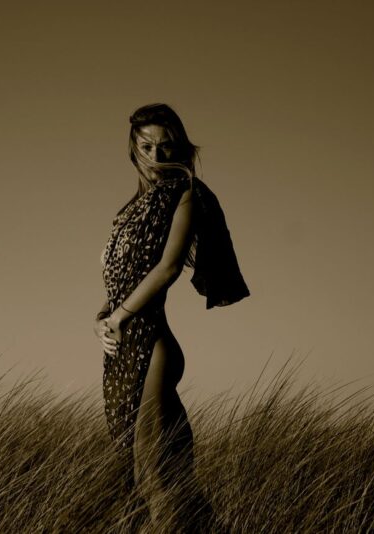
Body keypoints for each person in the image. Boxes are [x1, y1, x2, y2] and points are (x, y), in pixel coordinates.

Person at [95, 103, 249, 529]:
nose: (156, 156)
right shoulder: (128, 211)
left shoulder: (185, 193)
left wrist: (119, 318)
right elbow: (118, 285)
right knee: (165, 472)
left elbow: (168, 267)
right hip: (121, 350)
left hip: (151, 345)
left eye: (165, 146)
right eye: (147, 146)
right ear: (133, 148)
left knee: (153, 476)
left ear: (179, 147)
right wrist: (102, 319)